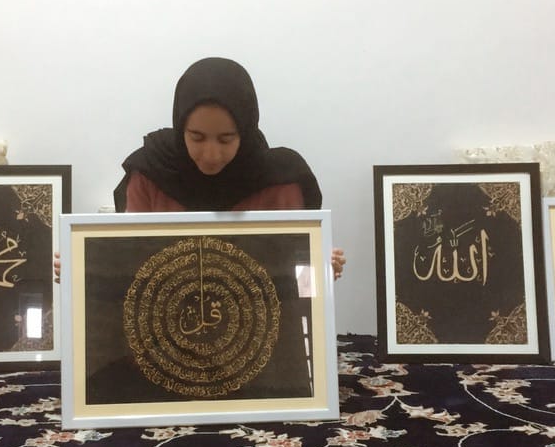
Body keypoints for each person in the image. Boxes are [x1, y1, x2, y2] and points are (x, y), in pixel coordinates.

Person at [54, 57, 346, 280]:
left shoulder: (280, 183)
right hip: (162, 329)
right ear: (180, 127)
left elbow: (298, 281)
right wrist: (83, 270)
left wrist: (318, 272)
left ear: (245, 131)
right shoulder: (152, 174)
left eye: (226, 139)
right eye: (196, 137)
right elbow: (132, 268)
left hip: (263, 332)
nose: (211, 155)